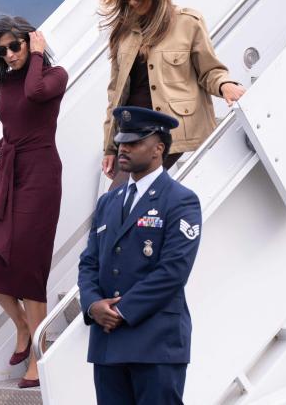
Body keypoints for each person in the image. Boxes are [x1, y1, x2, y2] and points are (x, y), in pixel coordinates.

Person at [0, 16, 68, 388]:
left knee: (27, 268)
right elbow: (11, 132)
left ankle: (39, 358)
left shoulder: (55, 75)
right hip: (10, 172)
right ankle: (22, 325)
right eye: (2, 49)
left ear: (31, 42)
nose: (8, 54)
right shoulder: (3, 81)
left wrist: (37, 55)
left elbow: (36, 94)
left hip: (41, 175)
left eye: (15, 46)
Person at [78, 107, 202, 404]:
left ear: (158, 149)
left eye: (134, 143)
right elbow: (89, 262)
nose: (123, 148)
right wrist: (92, 304)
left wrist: (120, 311)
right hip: (108, 344)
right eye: (121, 141)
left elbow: (173, 271)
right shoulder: (109, 201)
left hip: (155, 342)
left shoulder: (180, 200)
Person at [101, 0, 245, 181]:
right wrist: (109, 147)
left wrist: (225, 84)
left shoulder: (188, 22)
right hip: (132, 131)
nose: (131, 3)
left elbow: (209, 70)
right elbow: (115, 95)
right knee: (121, 202)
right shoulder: (123, 33)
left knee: (125, 196)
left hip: (171, 130)